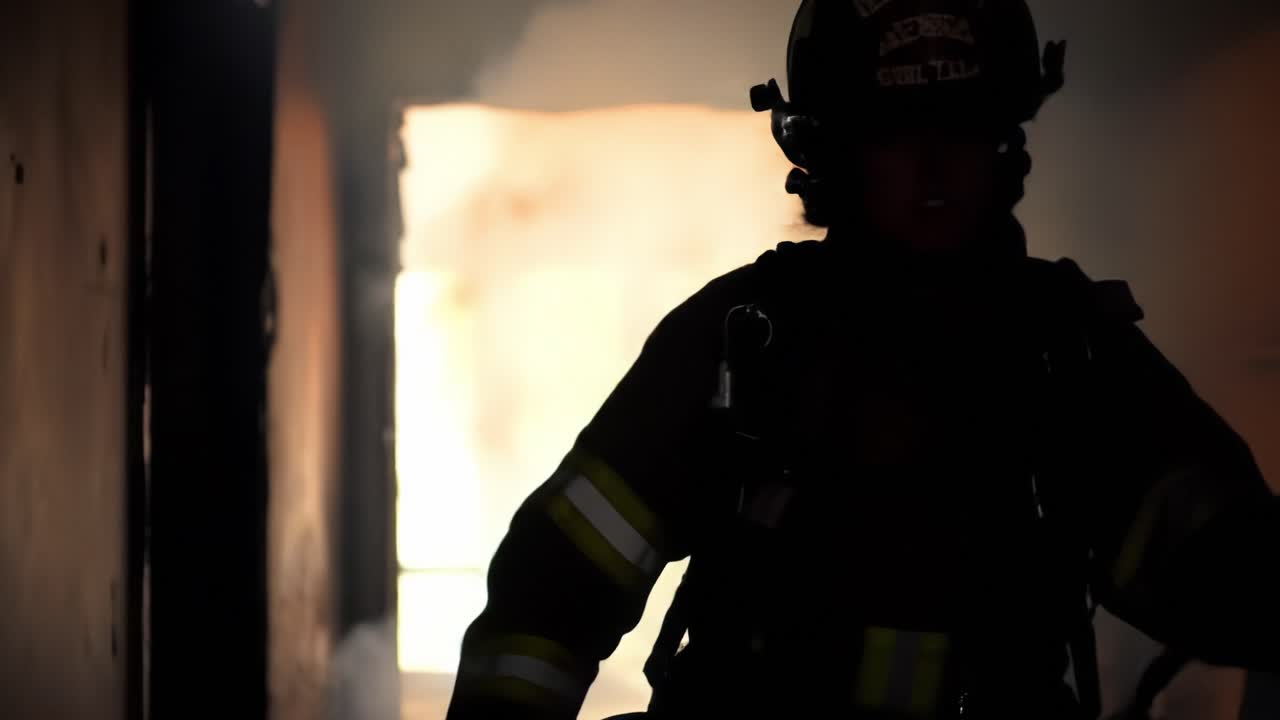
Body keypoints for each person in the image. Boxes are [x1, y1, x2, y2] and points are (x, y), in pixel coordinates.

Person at [443, 1, 1279, 718]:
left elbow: (1223, 571)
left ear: (1005, 141)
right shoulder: (744, 339)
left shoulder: (1072, 354)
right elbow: (556, 585)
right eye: (893, 134)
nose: (933, 168)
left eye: (964, 127)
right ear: (833, 150)